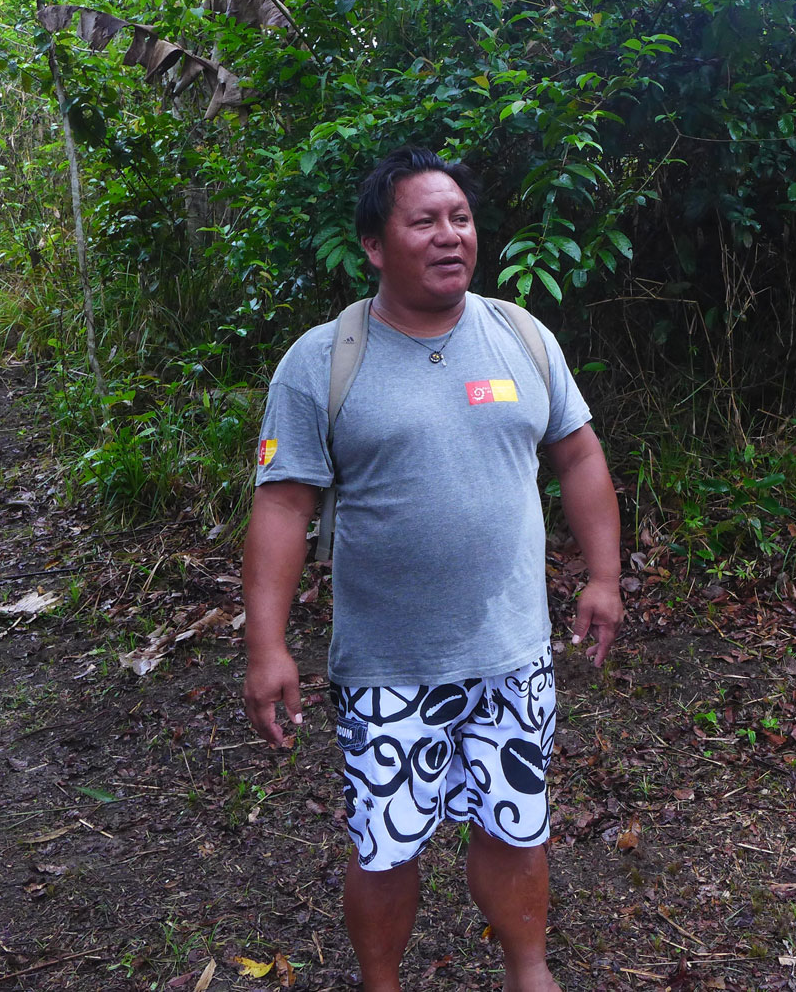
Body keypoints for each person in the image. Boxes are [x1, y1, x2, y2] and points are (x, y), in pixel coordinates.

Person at [241, 146, 624, 992]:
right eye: (425, 220)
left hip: (511, 654)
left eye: (461, 217)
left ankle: (530, 971)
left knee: (517, 830)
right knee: (385, 844)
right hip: (388, 668)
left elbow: (580, 455)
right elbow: (283, 506)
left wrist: (604, 576)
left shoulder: (522, 337)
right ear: (375, 245)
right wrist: (266, 644)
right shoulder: (322, 360)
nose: (450, 235)